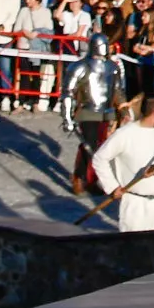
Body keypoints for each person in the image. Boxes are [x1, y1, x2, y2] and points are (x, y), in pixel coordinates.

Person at [93, 94, 154, 232]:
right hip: (135, 205)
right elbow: (100, 158)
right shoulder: (125, 134)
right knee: (134, 248)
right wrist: (112, 187)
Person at [64, 30, 129, 194]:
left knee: (103, 148)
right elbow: (67, 93)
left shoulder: (113, 67)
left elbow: (117, 91)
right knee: (90, 146)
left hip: (107, 112)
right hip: (87, 111)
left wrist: (124, 110)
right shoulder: (80, 66)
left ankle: (92, 179)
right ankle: (80, 177)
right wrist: (67, 118)